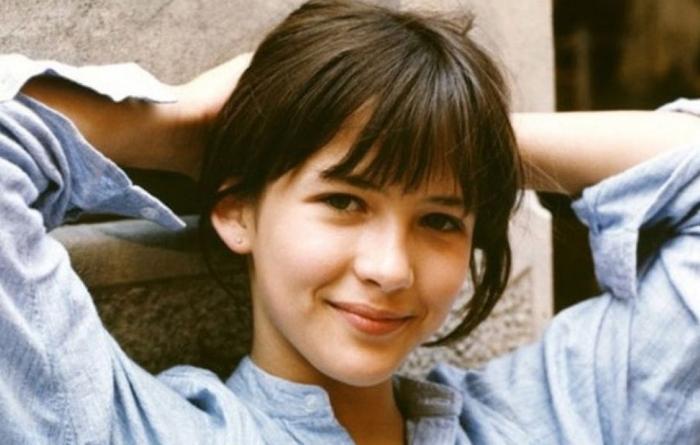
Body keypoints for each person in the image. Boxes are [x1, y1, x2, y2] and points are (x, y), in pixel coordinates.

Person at [2, 0, 700, 443]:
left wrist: (462, 133)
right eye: (344, 201)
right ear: (236, 208)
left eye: (440, 218)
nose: (390, 268)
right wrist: (175, 122)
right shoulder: (134, 428)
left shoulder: (547, 418)